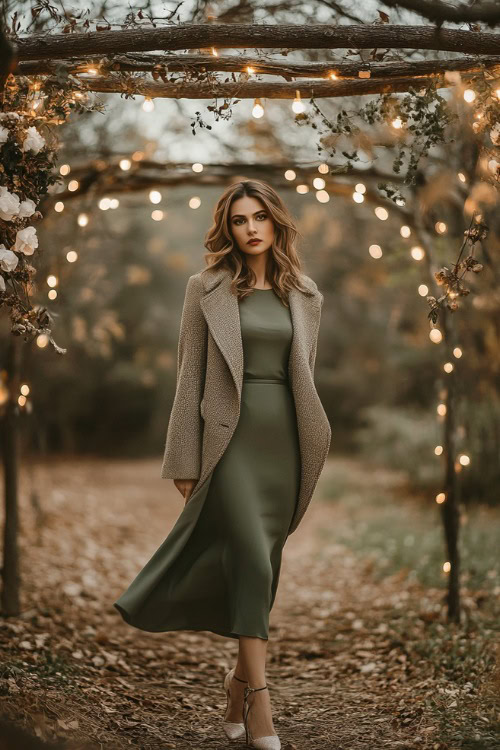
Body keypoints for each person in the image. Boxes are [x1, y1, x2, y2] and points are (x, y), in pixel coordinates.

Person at [114, 179, 331, 749]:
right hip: (228, 442)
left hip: (283, 444)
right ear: (227, 228)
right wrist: (183, 457)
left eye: (260, 217)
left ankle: (236, 685)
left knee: (261, 568)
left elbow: (304, 378)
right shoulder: (205, 288)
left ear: (276, 222)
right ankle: (261, 707)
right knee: (253, 565)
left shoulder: (305, 294)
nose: (252, 228)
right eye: (240, 220)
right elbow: (189, 379)